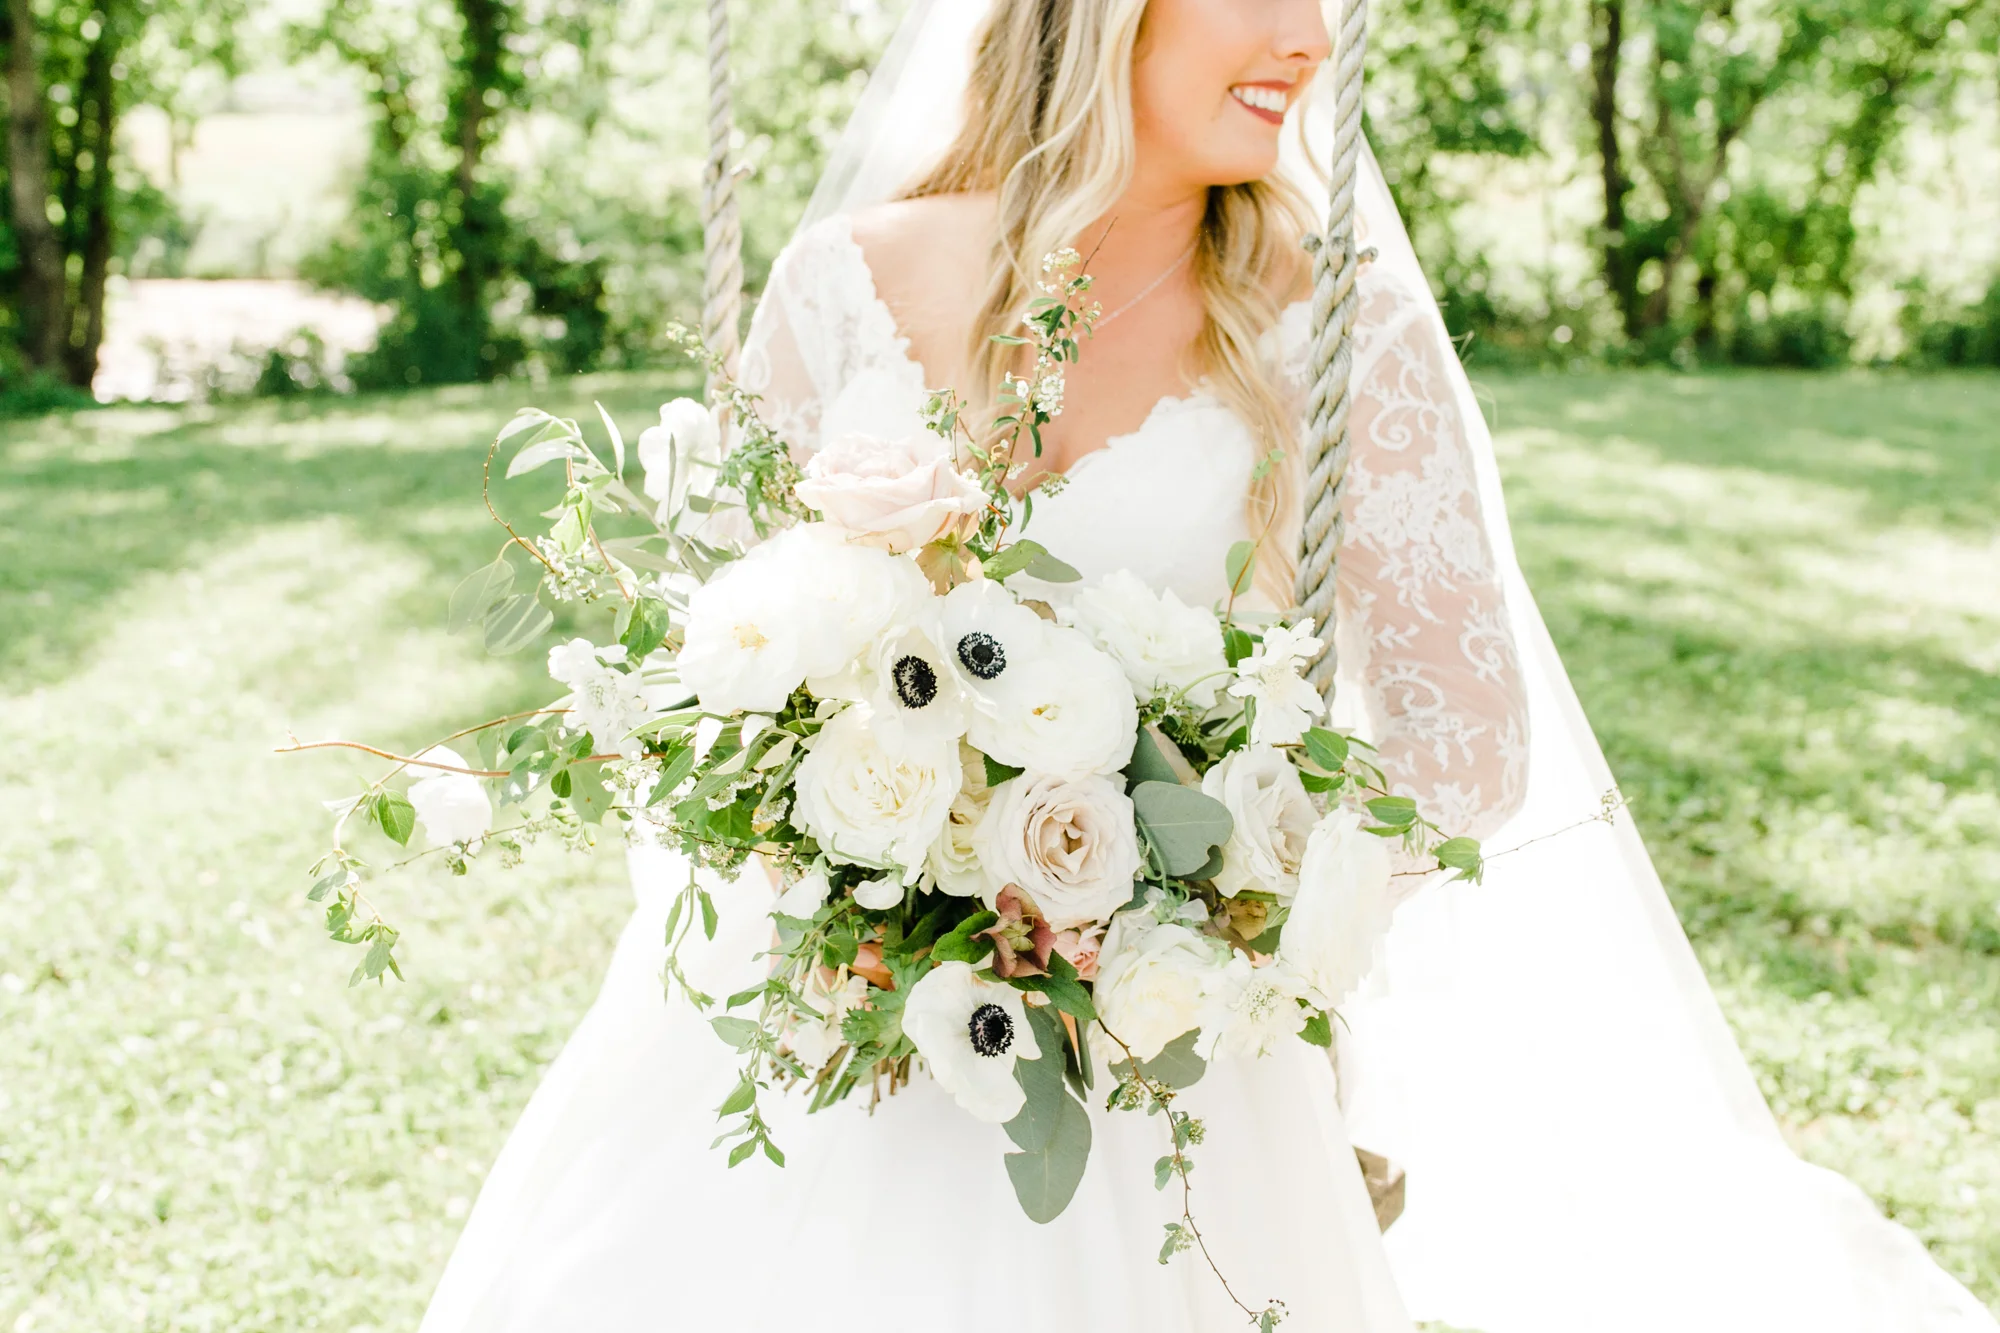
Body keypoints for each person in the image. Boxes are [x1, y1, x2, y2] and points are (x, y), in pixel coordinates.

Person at [418, 1, 1998, 1330]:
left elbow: (1460, 752)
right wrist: (841, 844)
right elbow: (722, 655)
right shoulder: (844, 279)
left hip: (1160, 1064)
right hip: (813, 1034)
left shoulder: (1334, 320)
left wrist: (1196, 892)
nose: (1310, 39)